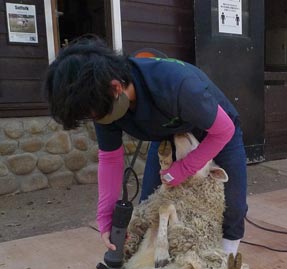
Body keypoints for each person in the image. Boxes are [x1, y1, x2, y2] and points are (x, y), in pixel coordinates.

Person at [44, 36, 248, 256]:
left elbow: (223, 130)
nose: (96, 119)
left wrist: (184, 168)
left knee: (233, 204)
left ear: (115, 88)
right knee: (149, 205)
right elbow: (110, 159)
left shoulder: (176, 84)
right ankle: (155, 260)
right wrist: (105, 216)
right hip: (167, 134)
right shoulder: (103, 102)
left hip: (217, 131)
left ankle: (226, 262)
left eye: (93, 115)